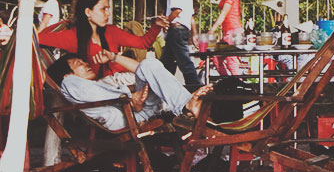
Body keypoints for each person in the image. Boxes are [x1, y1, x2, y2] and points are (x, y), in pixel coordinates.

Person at [47, 51, 211, 132]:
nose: (85, 63)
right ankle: (186, 105)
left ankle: (186, 105)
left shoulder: (92, 85)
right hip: (127, 115)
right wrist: (128, 96)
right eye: (78, 63)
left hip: (134, 108)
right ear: (68, 74)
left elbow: (140, 69)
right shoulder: (69, 82)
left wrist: (113, 57)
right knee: (148, 66)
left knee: (148, 64)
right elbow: (109, 95)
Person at [38, 0, 167, 80]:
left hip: (125, 79)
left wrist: (156, 27)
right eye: (103, 9)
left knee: (153, 69)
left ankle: (184, 106)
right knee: (153, 74)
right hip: (105, 89)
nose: (108, 13)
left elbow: (143, 43)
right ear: (88, 12)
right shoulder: (72, 37)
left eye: (108, 9)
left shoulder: (111, 31)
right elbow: (35, 38)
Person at [160, 0, 201, 88]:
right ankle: (164, 89)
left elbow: (177, 10)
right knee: (165, 65)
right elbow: (191, 17)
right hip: (181, 30)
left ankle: (195, 88)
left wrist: (165, 21)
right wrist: (194, 34)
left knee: (184, 62)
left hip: (176, 30)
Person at [209, 0, 243, 76]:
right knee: (217, 59)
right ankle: (228, 82)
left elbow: (223, 14)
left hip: (232, 32)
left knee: (231, 61)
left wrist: (212, 29)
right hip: (228, 31)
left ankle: (238, 86)